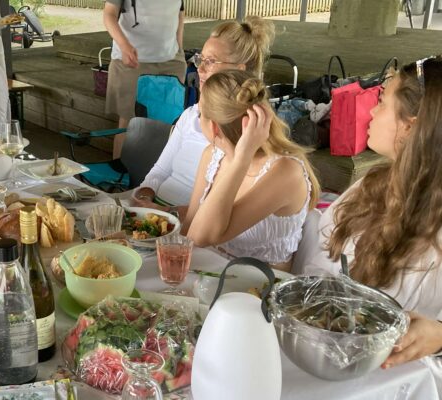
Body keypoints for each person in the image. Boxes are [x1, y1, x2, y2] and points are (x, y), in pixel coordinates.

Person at [304, 58, 442, 374]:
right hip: (330, 357)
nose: (371, 112)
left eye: (381, 102)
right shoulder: (371, 185)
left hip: (401, 380)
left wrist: (438, 336)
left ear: (410, 126)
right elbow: (323, 269)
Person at [181, 70, 319, 271]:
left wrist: (241, 159)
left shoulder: (286, 172)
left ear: (214, 128)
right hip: (206, 270)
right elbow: (189, 229)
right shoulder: (212, 155)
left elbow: (200, 237)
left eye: (200, 114)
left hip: (258, 284)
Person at [135, 17, 276, 211]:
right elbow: (160, 171)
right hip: (155, 211)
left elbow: (223, 205)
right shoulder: (191, 115)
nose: (199, 69)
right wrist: (143, 199)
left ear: (238, 70)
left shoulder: (248, 129)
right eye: (200, 59)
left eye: (210, 61)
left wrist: (165, 213)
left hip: (187, 220)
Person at [103, 0, 186, 159]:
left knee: (169, 120)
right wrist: (124, 46)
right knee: (129, 123)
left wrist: (180, 50)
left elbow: (180, 14)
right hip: (132, 61)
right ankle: (120, 171)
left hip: (171, 61)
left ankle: (158, 171)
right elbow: (109, 14)